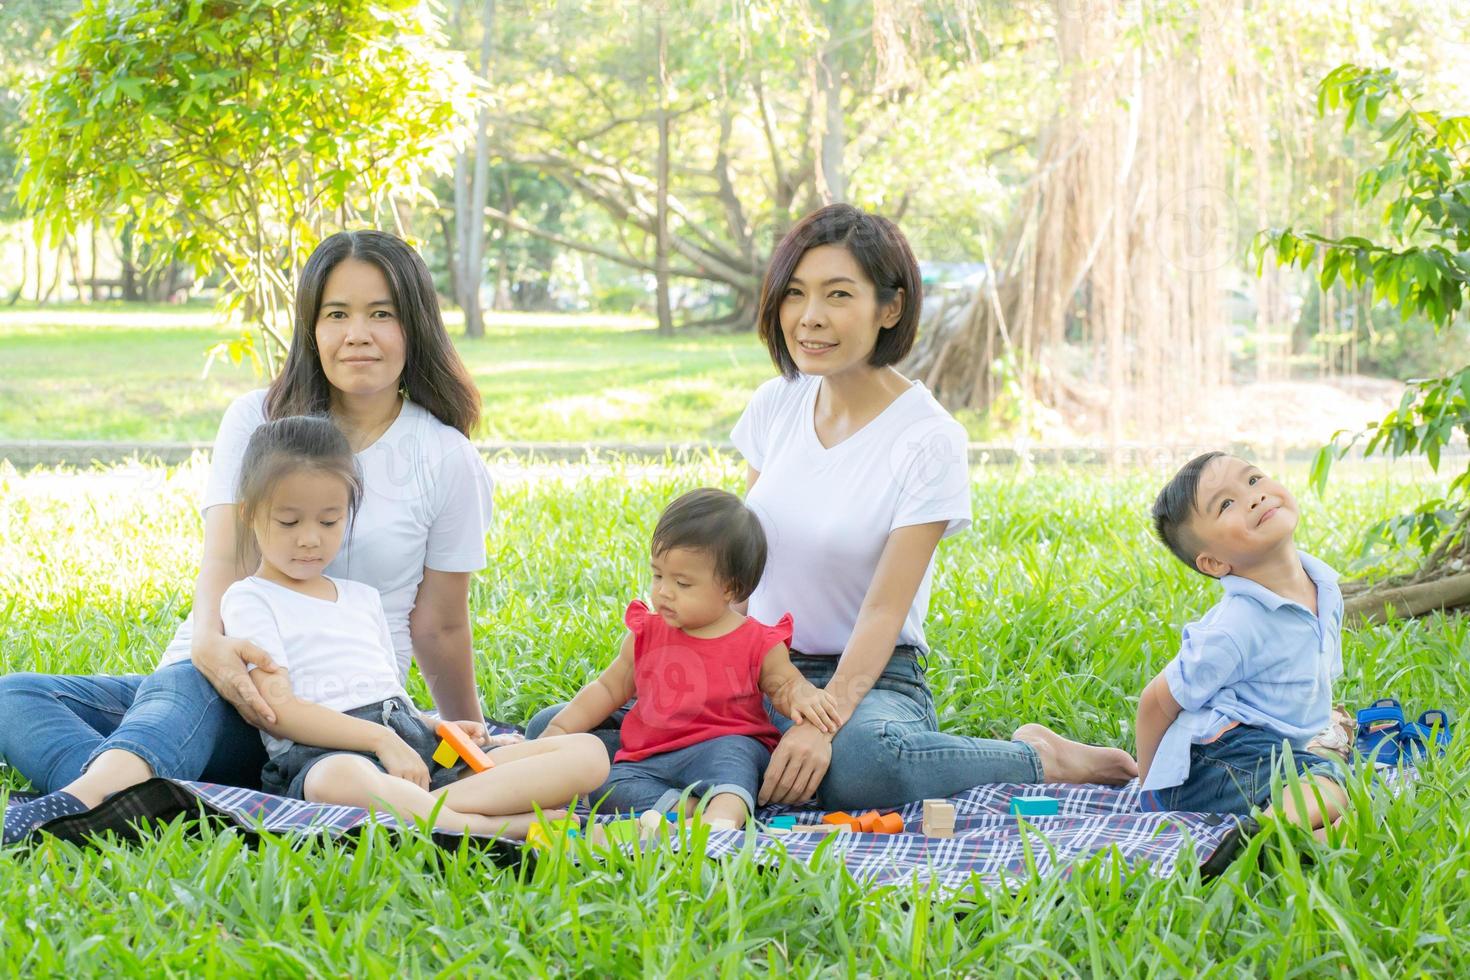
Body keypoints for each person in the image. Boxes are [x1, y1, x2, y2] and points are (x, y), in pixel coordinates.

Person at [528, 205, 1136, 810]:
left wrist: (823, 721)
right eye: (795, 293)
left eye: (838, 294)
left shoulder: (928, 438)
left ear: (889, 308)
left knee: (861, 769)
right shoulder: (777, 403)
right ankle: (746, 765)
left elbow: (881, 611)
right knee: (555, 732)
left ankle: (1039, 757)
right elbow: (738, 568)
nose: (810, 317)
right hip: (750, 662)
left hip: (871, 678)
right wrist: (695, 663)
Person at [2, 230, 495, 844]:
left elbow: (440, 624)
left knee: (187, 692)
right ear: (310, 328)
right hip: (218, 667)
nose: (356, 334)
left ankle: (86, 800)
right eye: (336, 314)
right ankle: (151, 795)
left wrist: (462, 731)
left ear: (416, 325)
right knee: (18, 694)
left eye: (381, 314)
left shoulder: (445, 458)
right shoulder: (257, 418)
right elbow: (225, 560)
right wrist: (209, 644)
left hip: (330, 706)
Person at [223, 416, 605, 835]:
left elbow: (385, 692)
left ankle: (433, 811)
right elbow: (279, 712)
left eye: (329, 521)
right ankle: (485, 823)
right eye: (289, 522)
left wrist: (434, 725)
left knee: (589, 754)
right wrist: (379, 741)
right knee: (336, 781)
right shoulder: (251, 598)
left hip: (409, 746)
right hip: (328, 753)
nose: (310, 538)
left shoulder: (361, 598)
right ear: (249, 514)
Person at [538, 489, 838, 829]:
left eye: (682, 583)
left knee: (736, 759)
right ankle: (691, 812)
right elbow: (608, 689)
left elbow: (784, 684)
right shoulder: (646, 633)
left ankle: (722, 820)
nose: (664, 591)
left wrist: (803, 695)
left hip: (722, 746)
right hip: (649, 756)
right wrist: (559, 729)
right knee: (608, 787)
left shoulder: (757, 641)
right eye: (658, 575)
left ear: (731, 588)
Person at [1135, 452, 1348, 828]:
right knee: (1332, 785)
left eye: (1253, 480)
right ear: (1214, 563)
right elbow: (1155, 701)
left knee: (1344, 803)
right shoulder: (1236, 625)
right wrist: (1149, 787)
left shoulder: (1325, 587)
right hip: (1209, 761)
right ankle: (1262, 836)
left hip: (1266, 752)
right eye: (1227, 504)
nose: (1255, 497)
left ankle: (1298, 838)